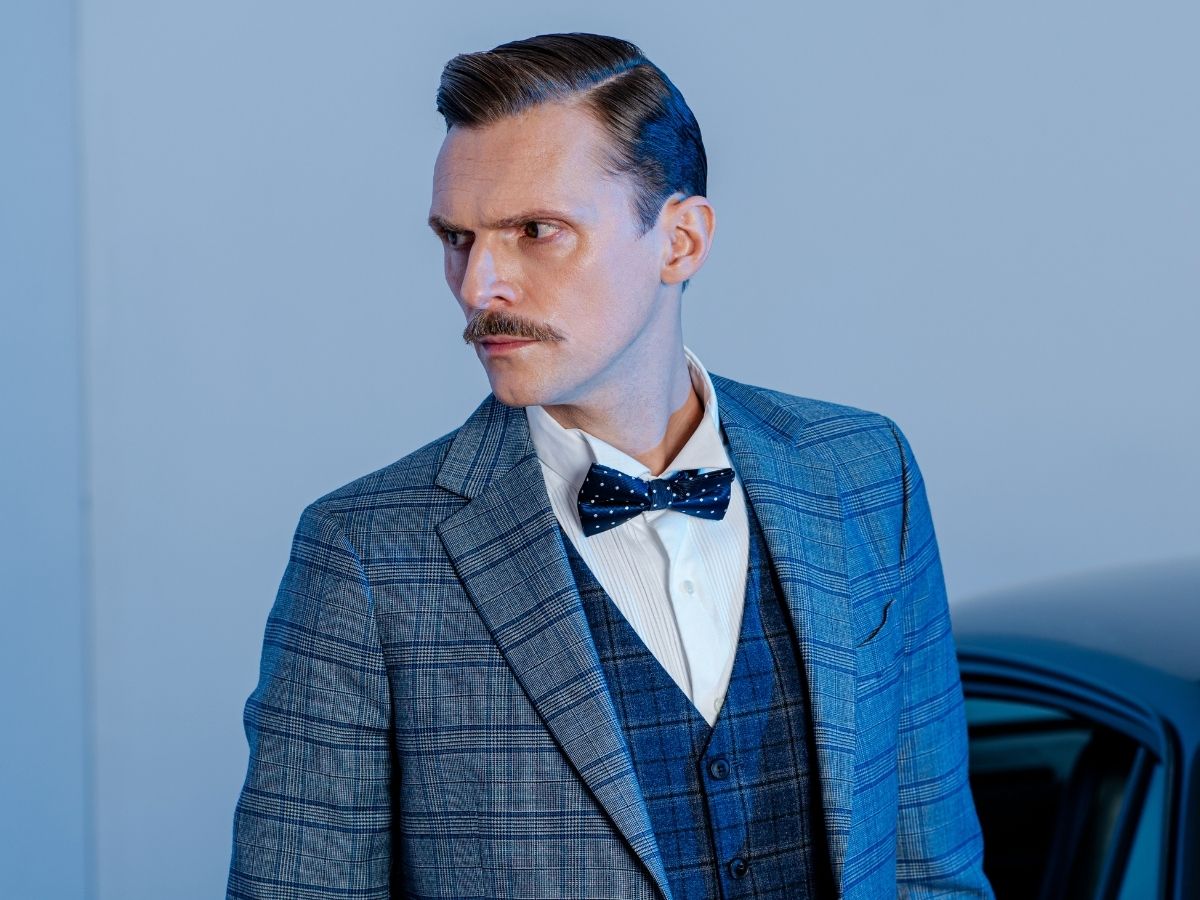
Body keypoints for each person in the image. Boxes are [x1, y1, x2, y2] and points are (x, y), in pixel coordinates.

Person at [226, 32, 992, 900]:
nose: (479, 287)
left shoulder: (861, 474)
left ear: (681, 241)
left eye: (535, 231)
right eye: (457, 238)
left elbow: (933, 871)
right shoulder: (366, 555)